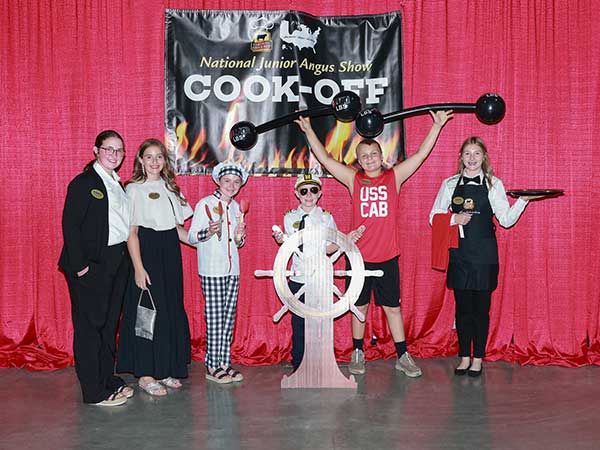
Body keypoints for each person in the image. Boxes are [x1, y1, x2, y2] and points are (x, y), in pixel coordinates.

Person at [295, 110, 453, 377]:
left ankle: (402, 355)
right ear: (358, 160)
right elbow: (325, 159)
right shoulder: (353, 179)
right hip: (357, 257)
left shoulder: (394, 177)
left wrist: (436, 126)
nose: (369, 159)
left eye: (373, 154)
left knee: (393, 308)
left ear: (382, 156)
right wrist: (309, 130)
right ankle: (358, 351)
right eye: (364, 156)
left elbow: (419, 156)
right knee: (359, 307)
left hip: (387, 256)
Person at [429, 136, 539, 377]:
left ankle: (478, 358)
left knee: (480, 310)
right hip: (459, 254)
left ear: (484, 157)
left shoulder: (493, 184)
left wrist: (522, 201)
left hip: (484, 257)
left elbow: (506, 220)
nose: (472, 158)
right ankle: (464, 357)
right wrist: (453, 218)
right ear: (461, 157)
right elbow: (433, 216)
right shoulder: (449, 184)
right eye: (467, 153)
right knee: (462, 310)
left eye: (476, 153)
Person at [58, 130, 133, 406]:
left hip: (116, 261)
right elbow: (70, 225)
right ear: (96, 150)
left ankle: (105, 377)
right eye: (108, 149)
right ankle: (93, 391)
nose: (114, 154)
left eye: (119, 150)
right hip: (91, 265)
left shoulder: (117, 184)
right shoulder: (84, 183)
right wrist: (80, 267)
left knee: (108, 324)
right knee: (90, 328)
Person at [116, 138, 193, 396]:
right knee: (147, 313)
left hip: (170, 254)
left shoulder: (171, 187)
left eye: (159, 156)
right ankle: (146, 373)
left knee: (169, 309)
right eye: (148, 156)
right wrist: (138, 268)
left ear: (165, 160)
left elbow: (178, 230)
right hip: (146, 253)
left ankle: (165, 368)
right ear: (140, 160)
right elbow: (132, 233)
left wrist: (204, 238)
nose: (154, 161)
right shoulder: (133, 189)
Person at [272, 174, 364, 371]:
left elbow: (330, 247)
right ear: (297, 193)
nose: (309, 195)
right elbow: (288, 245)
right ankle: (299, 363)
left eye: (313, 190)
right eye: (304, 191)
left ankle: (319, 363)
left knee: (320, 322)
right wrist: (281, 240)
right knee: (299, 323)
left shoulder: (326, 217)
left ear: (320, 193)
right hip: (298, 277)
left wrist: (346, 240)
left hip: (321, 279)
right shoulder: (290, 217)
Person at [188, 161, 248, 384]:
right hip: (212, 268)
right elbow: (192, 236)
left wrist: (240, 236)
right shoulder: (205, 204)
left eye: (236, 182)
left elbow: (238, 243)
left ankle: (224, 362)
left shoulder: (236, 208)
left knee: (228, 318)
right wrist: (209, 231)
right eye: (227, 181)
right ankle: (212, 364)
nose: (231, 185)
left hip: (233, 270)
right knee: (215, 318)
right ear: (218, 181)